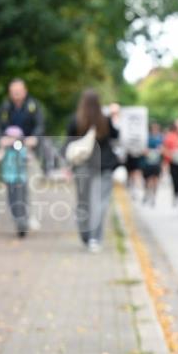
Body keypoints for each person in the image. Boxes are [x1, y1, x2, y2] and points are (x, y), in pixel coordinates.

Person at [65, 91, 120, 253]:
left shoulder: (75, 120)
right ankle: (95, 238)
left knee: (83, 202)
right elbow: (116, 136)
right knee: (100, 202)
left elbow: (68, 143)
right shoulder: (105, 120)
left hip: (82, 166)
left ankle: (85, 233)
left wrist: (67, 165)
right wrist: (115, 117)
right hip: (104, 165)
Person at [0, 78, 44, 236]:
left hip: (29, 149)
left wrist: (34, 139)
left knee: (30, 184)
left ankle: (30, 216)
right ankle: (19, 217)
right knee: (11, 185)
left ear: (25, 91)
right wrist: (2, 139)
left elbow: (40, 126)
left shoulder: (33, 106)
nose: (16, 94)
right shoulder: (5, 107)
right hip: (10, 151)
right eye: (13, 92)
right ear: (10, 93)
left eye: (18, 91)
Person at [142, 121, 164, 206]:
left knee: (155, 179)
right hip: (148, 162)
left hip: (157, 162)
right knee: (147, 179)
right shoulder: (147, 137)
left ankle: (154, 196)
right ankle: (147, 193)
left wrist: (160, 150)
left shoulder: (160, 138)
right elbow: (143, 148)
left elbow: (164, 148)